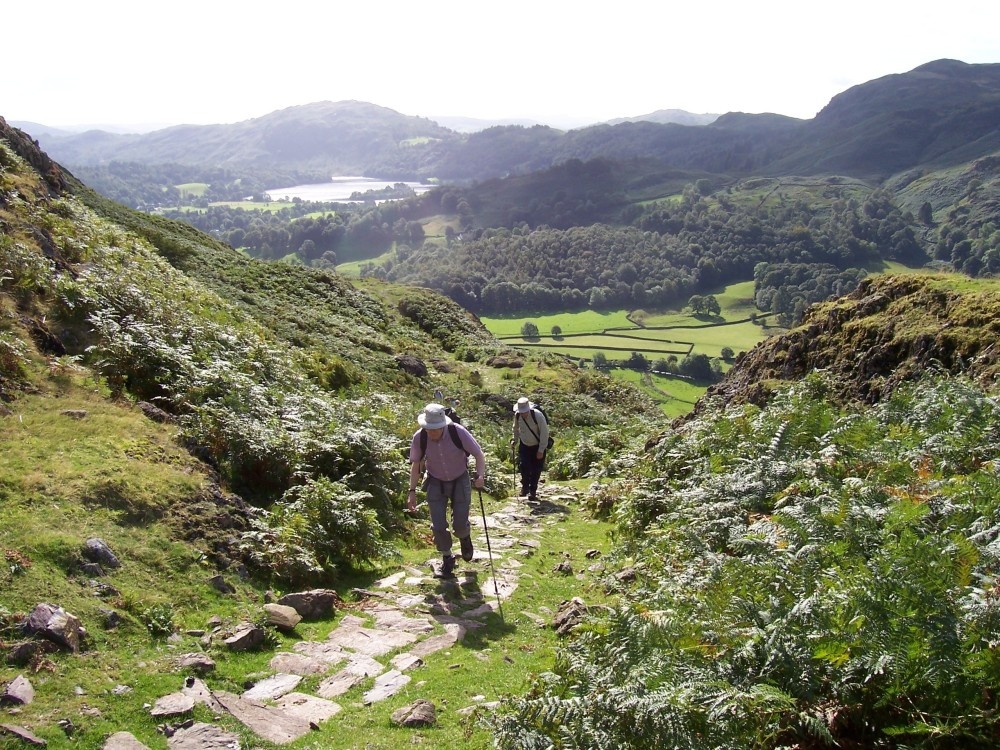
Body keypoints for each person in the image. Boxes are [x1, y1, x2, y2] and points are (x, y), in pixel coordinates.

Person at [407, 403, 486, 577]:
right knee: (438, 525)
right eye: (429, 428)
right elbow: (415, 466)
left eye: (435, 428)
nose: (432, 432)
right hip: (435, 481)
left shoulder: (457, 432)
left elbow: (478, 454)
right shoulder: (420, 438)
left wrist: (480, 476)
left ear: (443, 424)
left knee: (459, 524)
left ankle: (464, 536)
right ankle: (447, 558)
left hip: (460, 479)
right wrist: (411, 491)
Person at [512, 396, 548, 501]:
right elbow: (515, 428)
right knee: (524, 466)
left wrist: (541, 450)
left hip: (537, 446)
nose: (523, 413)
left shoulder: (538, 415)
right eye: (521, 411)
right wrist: (514, 439)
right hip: (524, 445)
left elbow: (544, 433)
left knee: (536, 470)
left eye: (525, 411)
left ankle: (533, 491)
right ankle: (525, 487)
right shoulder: (517, 415)